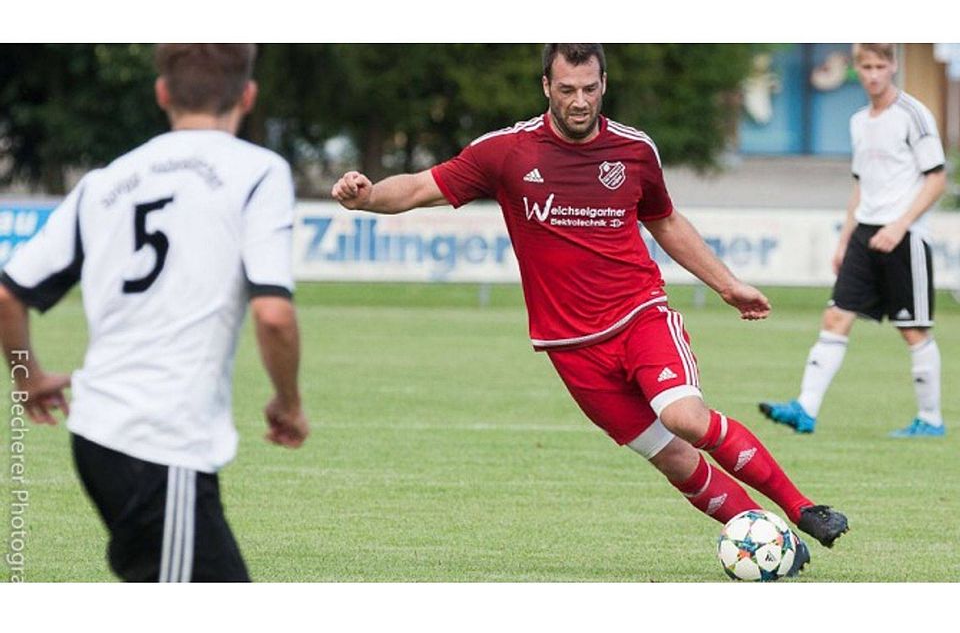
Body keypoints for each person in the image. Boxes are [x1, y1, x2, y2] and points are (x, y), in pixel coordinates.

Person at [333, 43, 848, 573]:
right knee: (672, 457)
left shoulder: (634, 150)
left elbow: (665, 221)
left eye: (590, 89)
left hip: (638, 316)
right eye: (567, 90)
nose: (580, 101)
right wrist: (366, 197)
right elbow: (420, 187)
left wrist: (726, 285)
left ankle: (801, 508)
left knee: (684, 418)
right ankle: (770, 540)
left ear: (604, 84)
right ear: (546, 88)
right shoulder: (507, 151)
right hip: (570, 348)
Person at [0, 44, 309, 582]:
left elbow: (8, 295)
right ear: (249, 94)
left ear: (162, 92)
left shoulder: (105, 182)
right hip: (159, 441)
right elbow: (274, 316)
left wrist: (28, 378)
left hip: (101, 431)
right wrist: (288, 402)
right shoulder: (259, 173)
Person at [760, 43, 947, 438]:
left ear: (893, 66)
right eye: (866, 66)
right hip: (864, 234)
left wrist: (899, 225)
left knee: (913, 330)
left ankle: (930, 420)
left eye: (881, 65)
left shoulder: (913, 115)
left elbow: (937, 179)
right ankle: (805, 409)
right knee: (835, 317)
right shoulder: (859, 120)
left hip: (905, 236)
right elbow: (860, 185)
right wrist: (845, 240)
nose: (874, 74)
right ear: (856, 69)